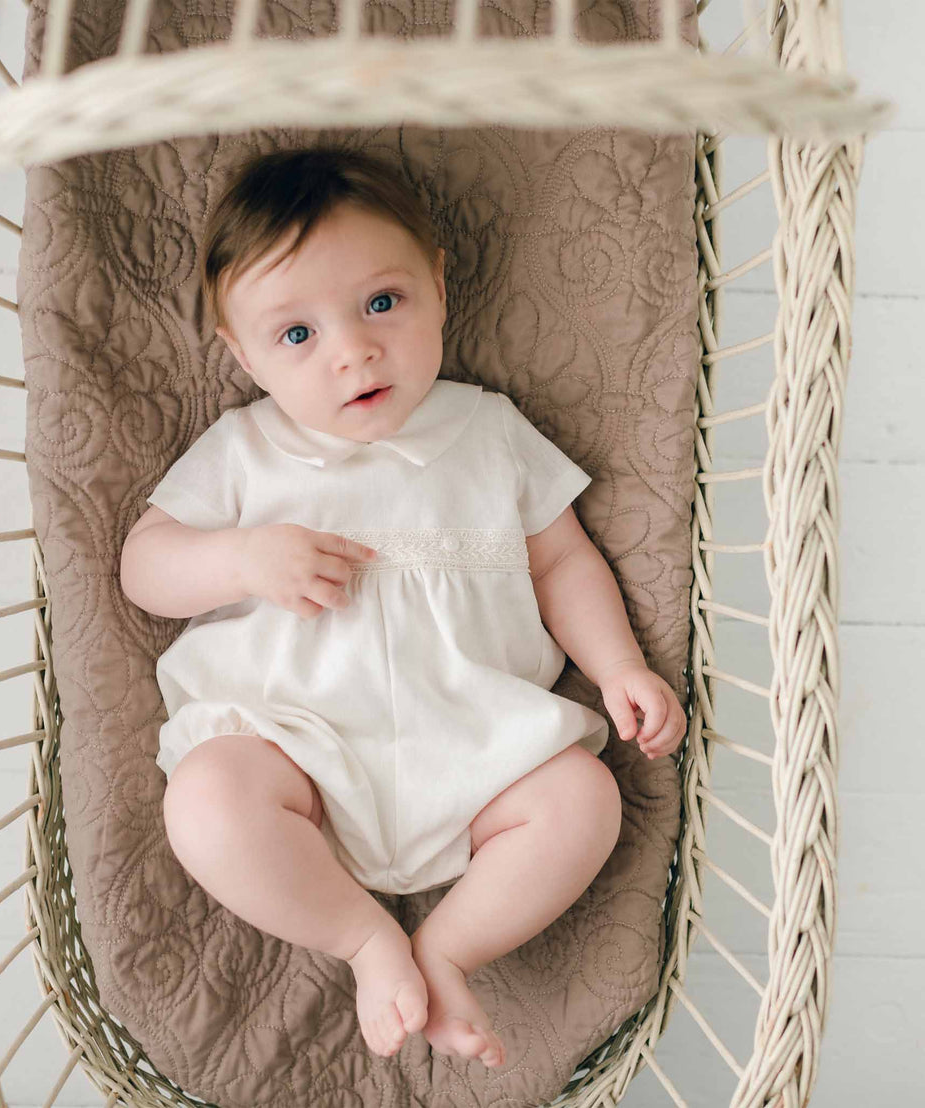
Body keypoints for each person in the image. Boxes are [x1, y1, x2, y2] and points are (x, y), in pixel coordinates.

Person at [119, 145, 686, 1070]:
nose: (353, 351)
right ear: (238, 350)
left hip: (476, 750)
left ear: (439, 284)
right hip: (293, 746)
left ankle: (447, 947)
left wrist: (619, 664)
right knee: (208, 802)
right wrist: (240, 558)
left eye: (382, 303)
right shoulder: (242, 450)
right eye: (295, 335)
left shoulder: (489, 428)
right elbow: (145, 567)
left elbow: (563, 563)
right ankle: (365, 940)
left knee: (585, 799)